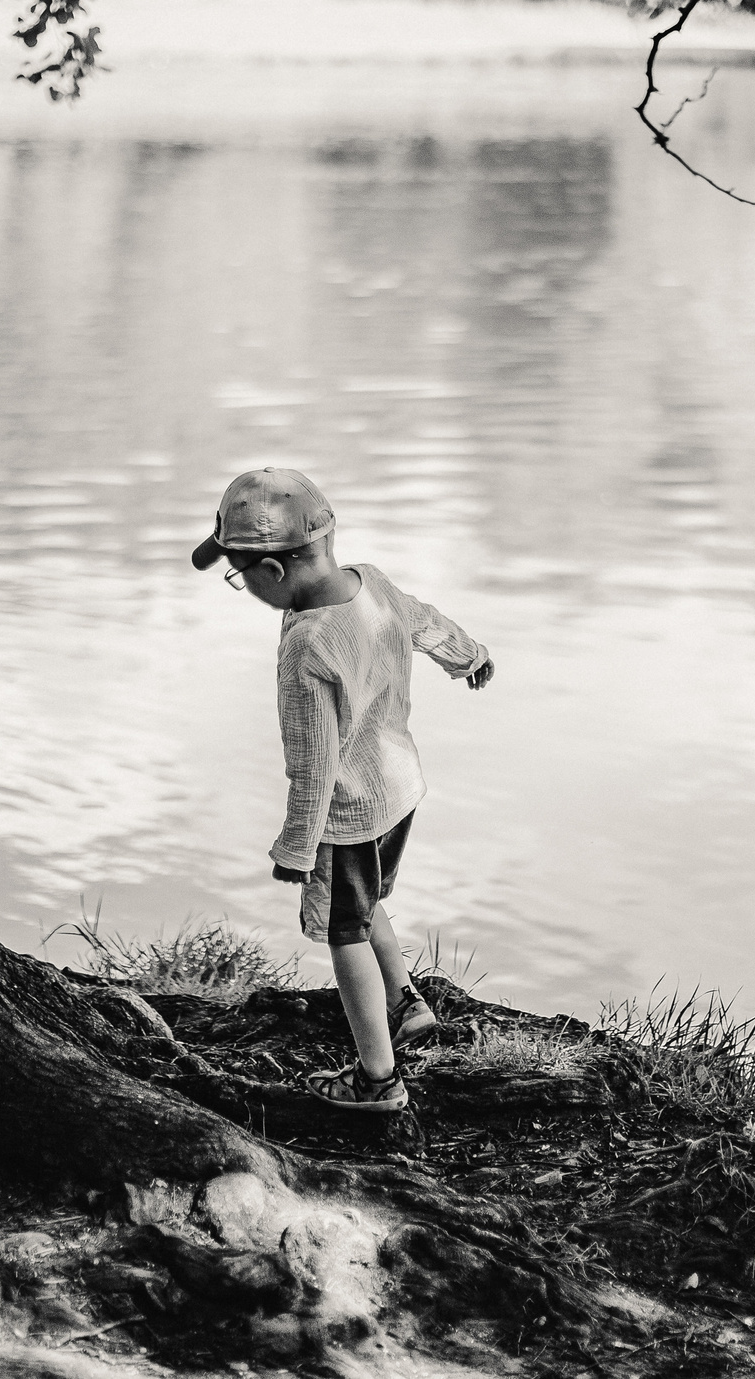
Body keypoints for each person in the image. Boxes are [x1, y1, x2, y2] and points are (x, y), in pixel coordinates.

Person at [191, 468, 495, 1112]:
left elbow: (314, 762)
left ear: (272, 573)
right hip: (399, 789)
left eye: (238, 574)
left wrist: (298, 847)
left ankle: (377, 1080)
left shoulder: (307, 645)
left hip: (349, 810)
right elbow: (423, 620)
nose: (240, 586)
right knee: (364, 902)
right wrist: (467, 655)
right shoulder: (371, 583)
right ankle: (405, 1004)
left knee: (342, 931)